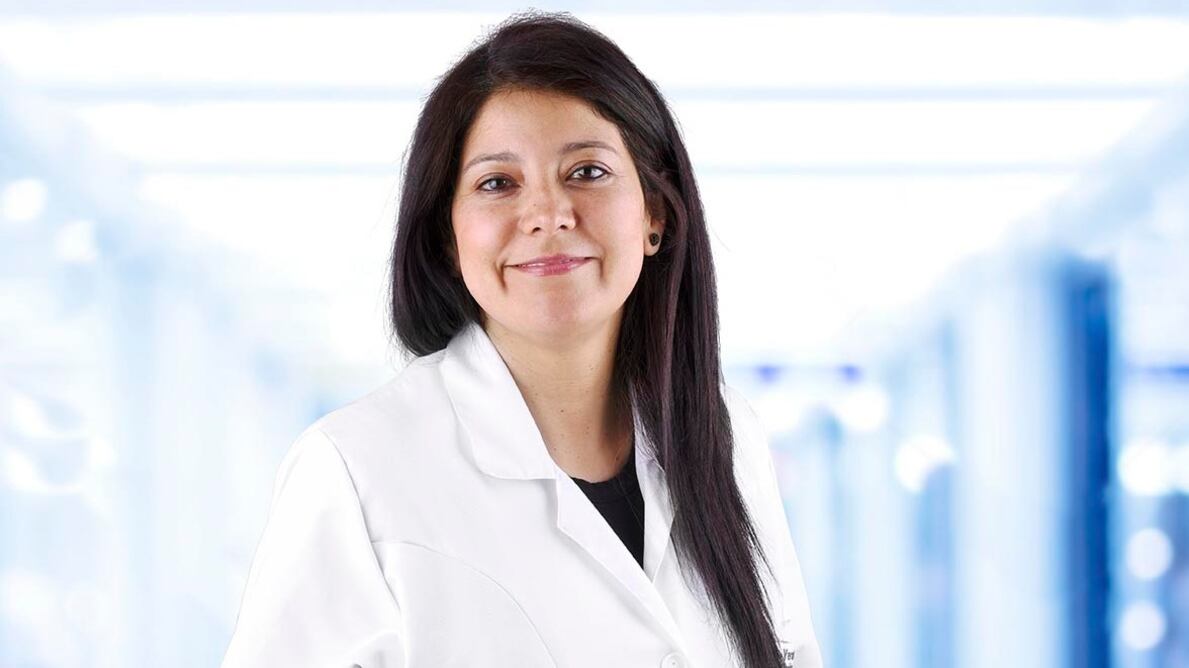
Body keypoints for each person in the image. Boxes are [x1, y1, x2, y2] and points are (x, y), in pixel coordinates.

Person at [221, 11, 820, 668]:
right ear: (448, 238)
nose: (547, 215)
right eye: (497, 184)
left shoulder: (727, 438)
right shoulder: (355, 468)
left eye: (586, 172)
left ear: (654, 212)